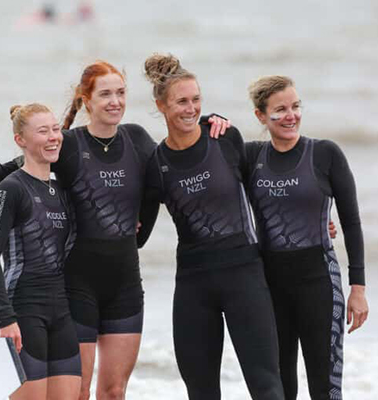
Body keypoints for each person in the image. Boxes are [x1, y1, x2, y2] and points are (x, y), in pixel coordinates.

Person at [0, 61, 228, 400]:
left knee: (115, 392)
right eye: (105, 94)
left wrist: (204, 122)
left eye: (120, 93)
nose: (115, 101)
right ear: (87, 100)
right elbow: (2, 180)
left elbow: (166, 175)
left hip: (125, 284)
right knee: (79, 392)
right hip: (78, 287)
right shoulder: (66, 144)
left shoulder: (137, 139)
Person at [142, 53, 285, 400]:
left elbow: (264, 191)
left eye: (196, 100)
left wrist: (312, 220)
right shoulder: (156, 165)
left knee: (266, 385)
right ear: (161, 105)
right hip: (193, 284)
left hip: (244, 275)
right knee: (201, 392)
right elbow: (137, 235)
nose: (190, 109)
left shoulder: (224, 138)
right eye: (181, 102)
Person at [246, 76, 369, 400]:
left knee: (325, 388)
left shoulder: (325, 154)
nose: (291, 115)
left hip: (319, 286)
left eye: (296, 106)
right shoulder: (251, 158)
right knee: (279, 388)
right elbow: (208, 156)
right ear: (260, 116)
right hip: (270, 289)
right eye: (280, 109)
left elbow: (351, 222)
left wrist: (358, 287)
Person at [0, 103, 81, 400]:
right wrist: (5, 319)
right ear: (20, 140)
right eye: (42, 131)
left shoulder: (61, 191)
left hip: (61, 312)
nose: (53, 137)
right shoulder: (9, 190)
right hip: (22, 311)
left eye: (55, 130)